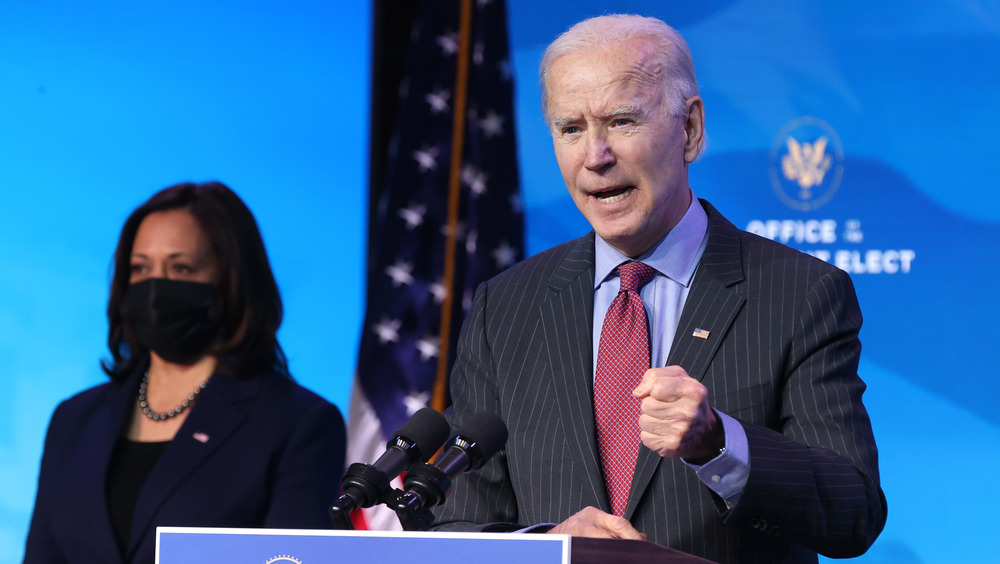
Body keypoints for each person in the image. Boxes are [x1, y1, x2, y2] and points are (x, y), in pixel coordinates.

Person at [431, 14, 886, 564]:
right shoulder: (506, 307)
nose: (595, 156)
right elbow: (458, 521)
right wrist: (540, 547)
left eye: (621, 121)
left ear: (690, 129)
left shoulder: (801, 293)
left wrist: (719, 444)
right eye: (570, 129)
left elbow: (851, 512)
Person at [24, 181, 346, 563]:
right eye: (140, 268)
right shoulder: (74, 419)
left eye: (180, 267)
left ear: (230, 282)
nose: (156, 288)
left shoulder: (300, 424)